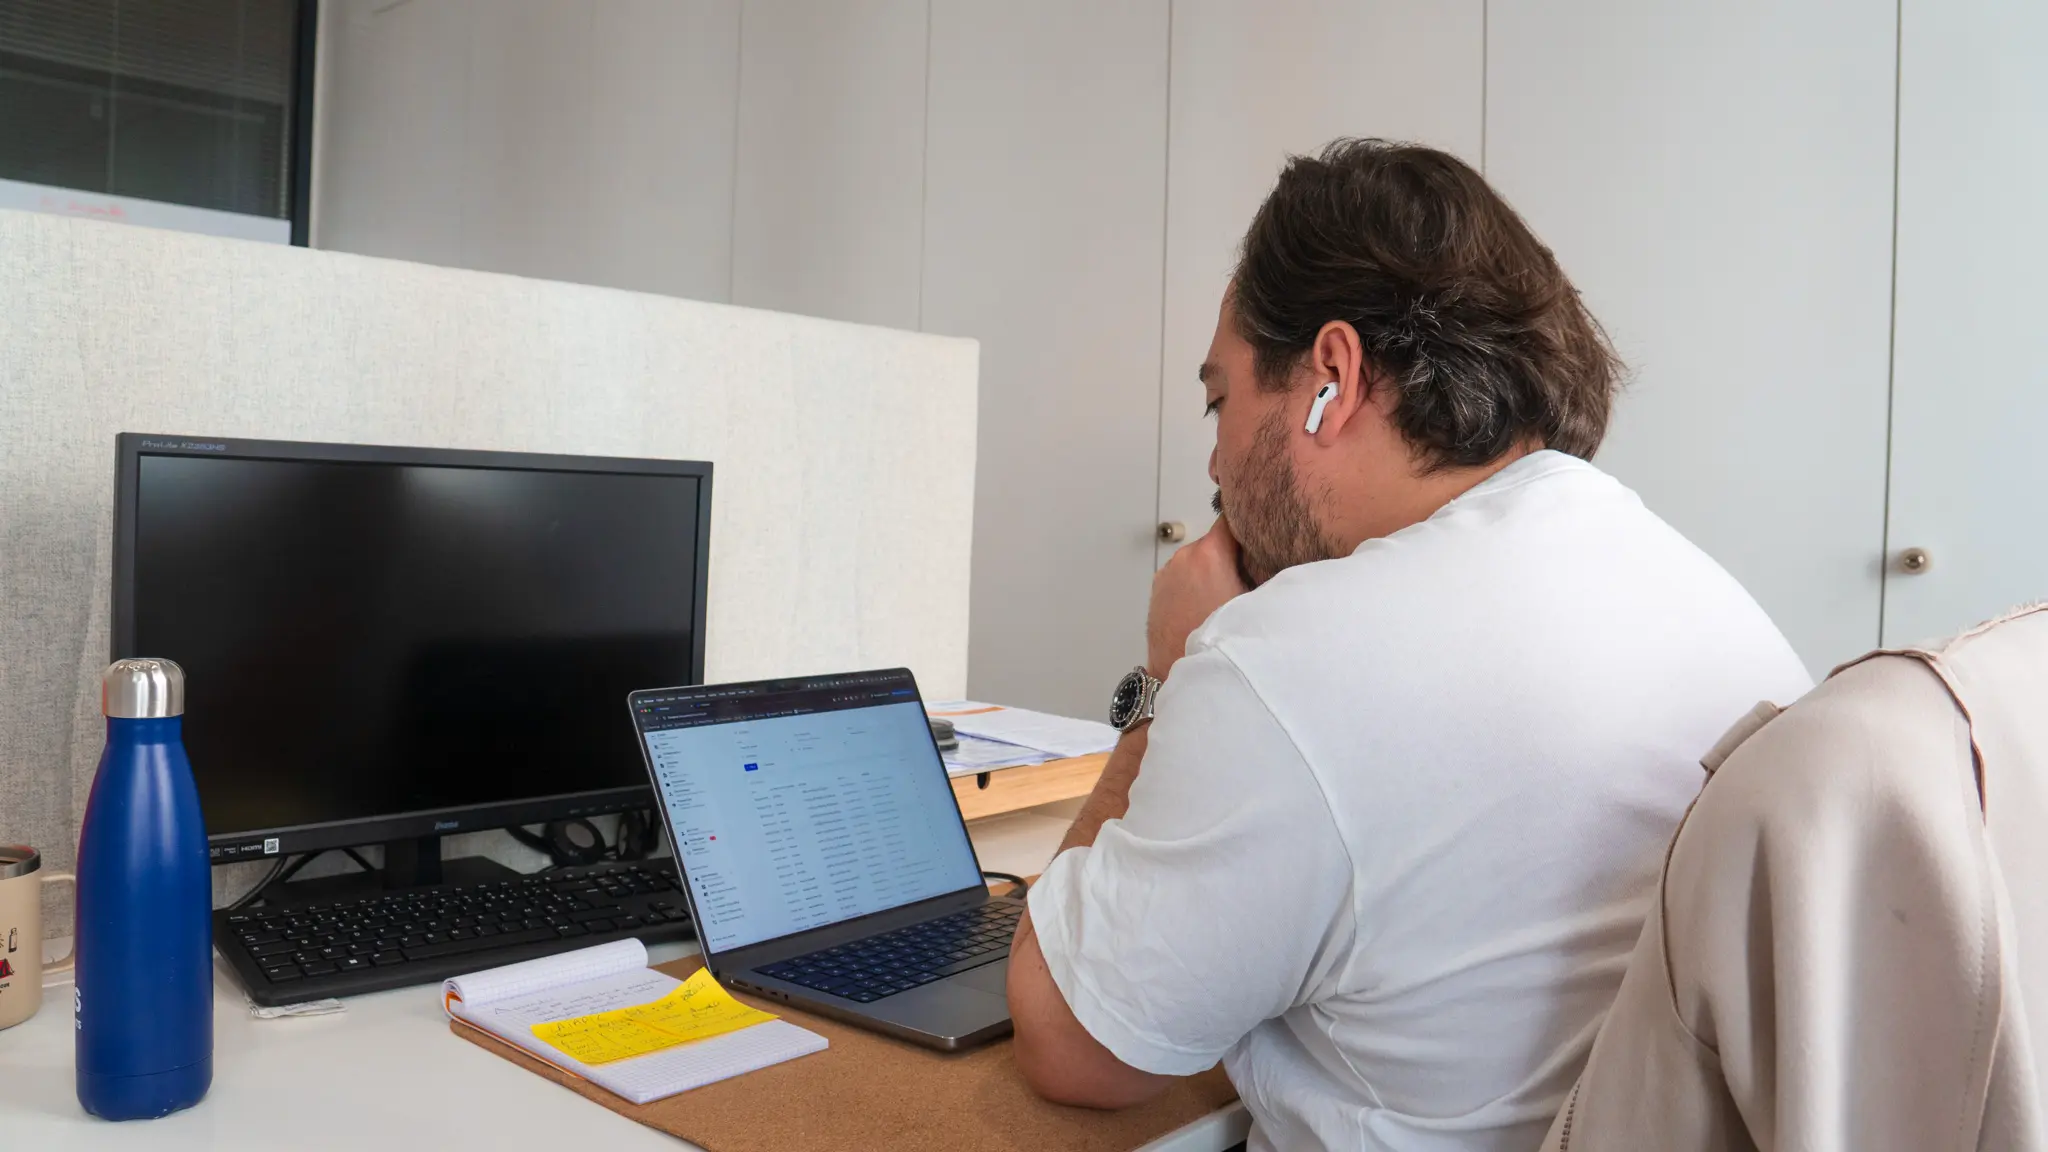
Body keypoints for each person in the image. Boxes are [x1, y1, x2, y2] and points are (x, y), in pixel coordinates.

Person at [1004, 138, 1815, 1151]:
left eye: (1222, 399)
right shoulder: (1700, 593)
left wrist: (1169, 679)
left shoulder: (1292, 659)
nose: (1212, 457)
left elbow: (1076, 1046)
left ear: (1327, 378)